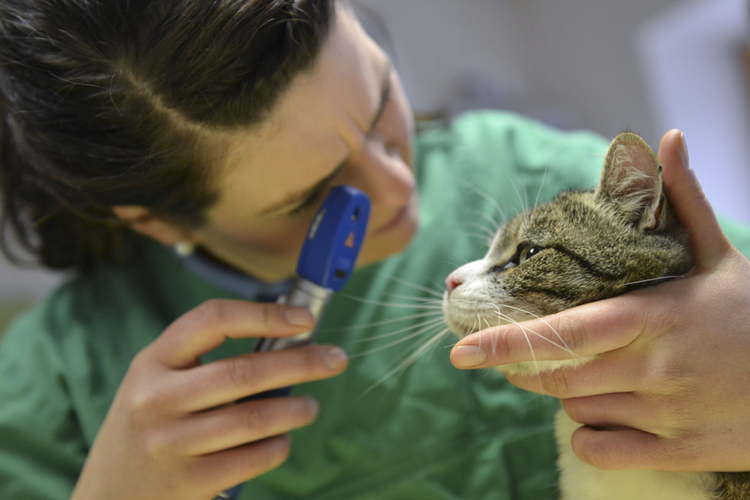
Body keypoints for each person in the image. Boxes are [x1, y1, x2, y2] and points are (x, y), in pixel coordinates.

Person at [0, 1, 748, 500]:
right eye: (316, 196)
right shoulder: (51, 391)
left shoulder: (544, 177)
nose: (397, 188)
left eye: (382, 104)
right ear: (157, 222)